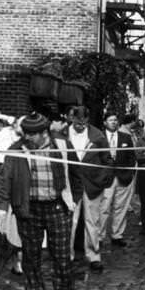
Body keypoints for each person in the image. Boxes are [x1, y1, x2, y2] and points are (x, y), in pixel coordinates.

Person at [0, 113, 77, 290]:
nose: (27, 138)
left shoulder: (62, 145)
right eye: (26, 134)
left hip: (57, 206)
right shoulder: (16, 149)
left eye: (32, 135)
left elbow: (76, 173)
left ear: (43, 133)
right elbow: (5, 178)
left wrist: (75, 198)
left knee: (62, 254)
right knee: (31, 256)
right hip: (28, 208)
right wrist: (1, 205)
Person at [61, 105, 113, 272]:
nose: (80, 126)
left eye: (83, 123)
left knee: (92, 221)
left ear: (88, 121)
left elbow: (108, 160)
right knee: (70, 221)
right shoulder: (62, 135)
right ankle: (66, 255)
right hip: (70, 184)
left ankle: (94, 255)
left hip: (92, 185)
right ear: (71, 119)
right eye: (77, 123)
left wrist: (103, 179)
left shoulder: (98, 136)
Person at [99, 111, 136, 248]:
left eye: (115, 119)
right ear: (105, 123)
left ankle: (117, 235)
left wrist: (130, 172)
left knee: (120, 207)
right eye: (110, 120)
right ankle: (99, 236)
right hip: (105, 178)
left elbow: (132, 157)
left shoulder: (126, 137)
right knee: (103, 207)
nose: (113, 122)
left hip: (123, 177)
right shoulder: (99, 137)